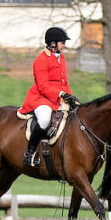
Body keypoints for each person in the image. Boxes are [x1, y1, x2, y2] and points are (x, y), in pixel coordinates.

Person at [20, 27, 76, 167]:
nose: (64, 45)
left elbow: (64, 83)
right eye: (62, 42)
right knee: (44, 120)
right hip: (41, 98)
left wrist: (71, 97)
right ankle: (29, 153)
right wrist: (61, 94)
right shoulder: (41, 60)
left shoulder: (61, 58)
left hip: (58, 98)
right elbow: (43, 87)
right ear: (53, 43)